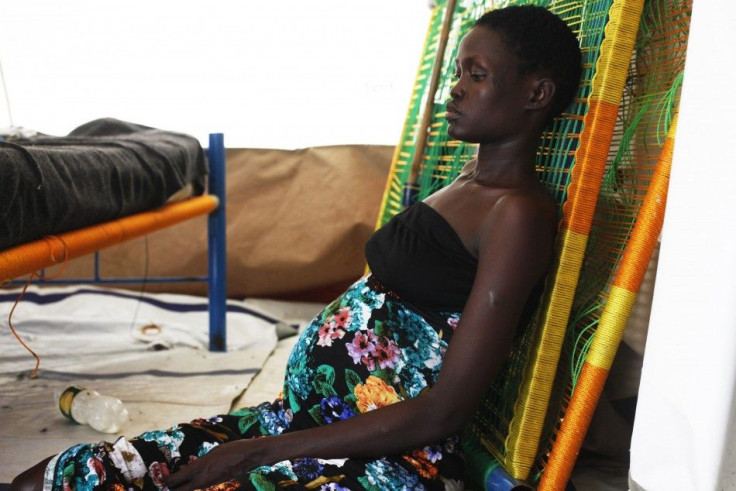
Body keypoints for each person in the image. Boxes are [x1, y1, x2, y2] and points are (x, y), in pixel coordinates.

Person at [12, 5, 582, 490]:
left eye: (476, 74)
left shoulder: (518, 214)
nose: (456, 87)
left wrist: (258, 452)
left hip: (385, 461)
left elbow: (446, 409)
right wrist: (268, 438)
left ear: (536, 93)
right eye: (459, 70)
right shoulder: (464, 181)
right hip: (296, 421)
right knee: (55, 477)